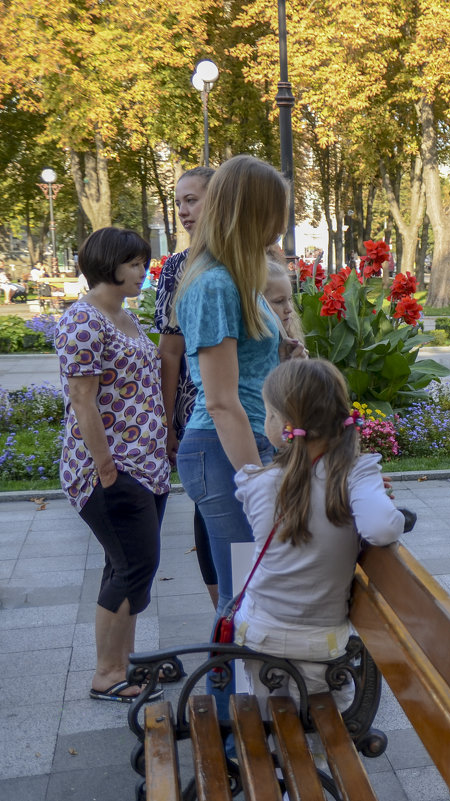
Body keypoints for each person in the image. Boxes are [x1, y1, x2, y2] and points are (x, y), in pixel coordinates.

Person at [233, 358, 406, 705]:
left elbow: (299, 500)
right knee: (320, 737)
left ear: (284, 425)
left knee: (272, 721)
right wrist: (369, 500)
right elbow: (383, 528)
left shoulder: (257, 483)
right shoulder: (355, 474)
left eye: (268, 413)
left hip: (256, 634)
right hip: (319, 645)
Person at [55, 227, 170, 702]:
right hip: (111, 469)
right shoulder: (84, 320)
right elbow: (82, 400)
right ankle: (106, 674)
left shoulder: (122, 315)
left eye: (143, 262)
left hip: (145, 466)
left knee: (126, 567)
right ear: (109, 265)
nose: (143, 271)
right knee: (135, 566)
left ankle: (124, 663)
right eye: (135, 263)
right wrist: (106, 470)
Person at [175, 155, 288, 622]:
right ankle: (229, 697)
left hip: (244, 443)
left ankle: (255, 693)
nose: (279, 229)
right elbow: (222, 402)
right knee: (241, 596)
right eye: (274, 215)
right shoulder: (216, 285)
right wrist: (255, 477)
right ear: (252, 213)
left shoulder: (238, 278)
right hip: (224, 450)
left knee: (254, 590)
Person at [155, 166, 218, 607]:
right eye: (179, 202)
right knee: (209, 507)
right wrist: (167, 424)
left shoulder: (256, 257)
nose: (182, 211)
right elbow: (170, 353)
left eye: (191, 200)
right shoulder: (179, 267)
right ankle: (225, 617)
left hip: (261, 410)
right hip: (202, 413)